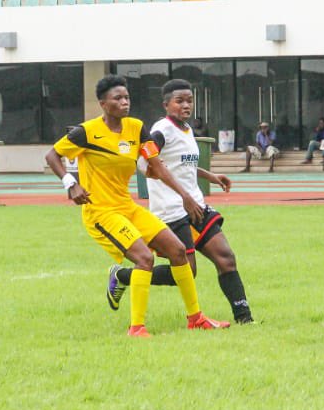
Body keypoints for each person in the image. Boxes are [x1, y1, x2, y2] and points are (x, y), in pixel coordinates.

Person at [44, 75, 229, 337]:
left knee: (178, 251)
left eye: (127, 97)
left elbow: (155, 165)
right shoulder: (86, 131)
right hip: (101, 212)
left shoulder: (137, 128)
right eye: (117, 98)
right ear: (103, 104)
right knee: (145, 258)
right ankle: (137, 328)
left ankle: (196, 318)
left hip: (127, 207)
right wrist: (69, 183)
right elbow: (52, 155)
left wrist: (185, 195)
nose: (124, 102)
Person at [108, 79, 254, 323]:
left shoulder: (186, 129)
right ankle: (122, 276)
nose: (186, 105)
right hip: (172, 210)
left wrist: (211, 176)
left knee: (226, 257)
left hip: (195, 205)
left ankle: (245, 319)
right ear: (166, 104)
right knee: (187, 272)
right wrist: (168, 186)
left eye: (189, 100)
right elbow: (144, 162)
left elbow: (182, 165)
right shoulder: (161, 130)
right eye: (180, 101)